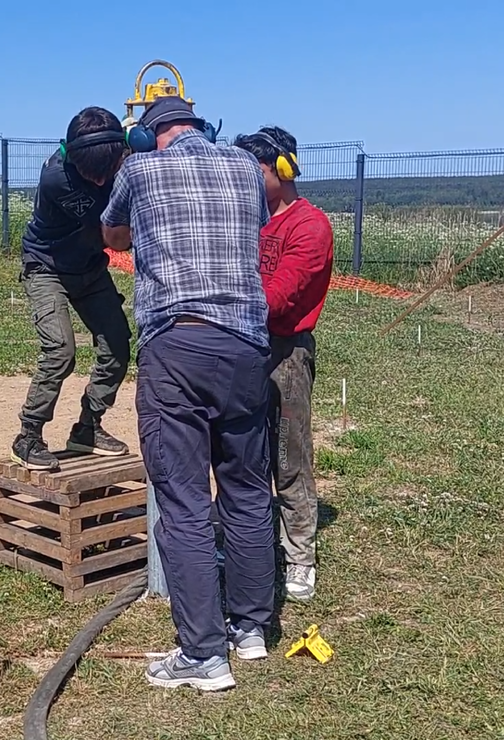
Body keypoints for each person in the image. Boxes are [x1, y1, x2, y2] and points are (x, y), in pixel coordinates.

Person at [101, 96, 275, 691]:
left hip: (177, 344)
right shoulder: (246, 170)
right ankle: (250, 629)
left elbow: (112, 231)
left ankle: (203, 654)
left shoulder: (139, 169)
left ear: (149, 136)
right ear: (201, 127)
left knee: (183, 503)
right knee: (248, 491)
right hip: (248, 347)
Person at [234, 127, 334, 603]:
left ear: (283, 169)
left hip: (286, 350)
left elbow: (280, 297)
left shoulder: (309, 227)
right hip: (245, 343)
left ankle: (299, 557)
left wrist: (225, 301)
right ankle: (251, 541)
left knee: (289, 457)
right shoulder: (248, 219)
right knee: (244, 452)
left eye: (253, 170)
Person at [11, 106, 134, 472]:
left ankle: (88, 428)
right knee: (60, 350)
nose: (98, 181)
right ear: (73, 157)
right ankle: (28, 436)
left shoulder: (119, 157)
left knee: (117, 345)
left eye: (105, 171)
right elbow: (114, 235)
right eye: (89, 173)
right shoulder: (57, 179)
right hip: (47, 268)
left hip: (89, 268)